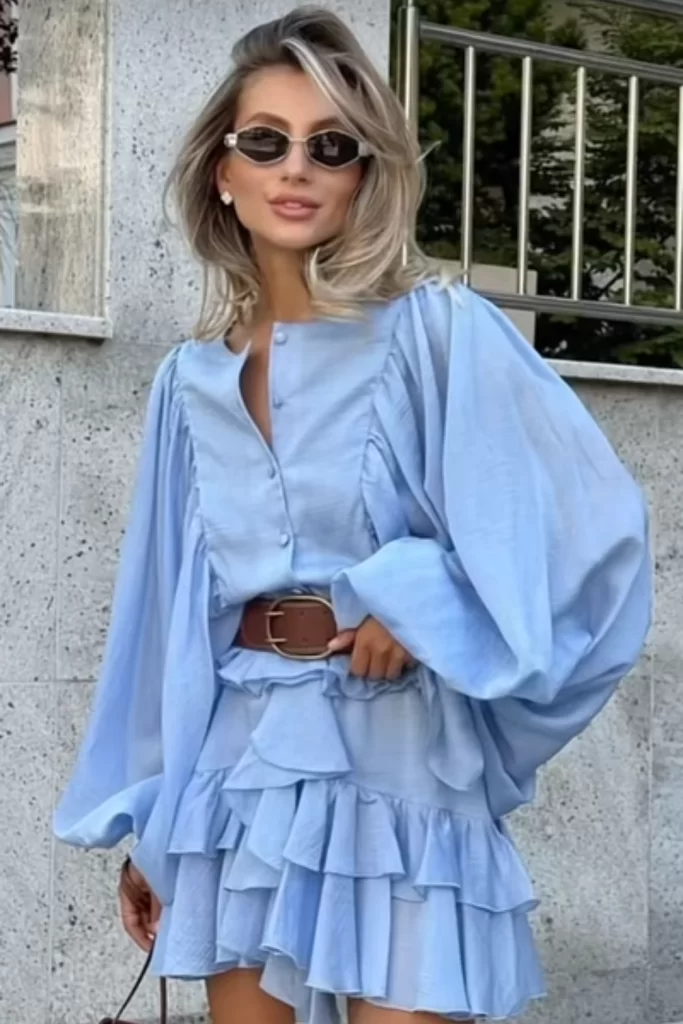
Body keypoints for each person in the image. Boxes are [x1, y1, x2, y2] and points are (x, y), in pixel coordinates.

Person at [54, 7, 652, 1024]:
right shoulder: (184, 382)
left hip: (400, 767)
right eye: (266, 141)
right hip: (238, 776)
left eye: (330, 146)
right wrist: (152, 823)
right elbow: (160, 625)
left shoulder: (439, 333)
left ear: (363, 174)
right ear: (221, 172)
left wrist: (421, 603)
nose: (297, 167)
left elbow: (590, 543)